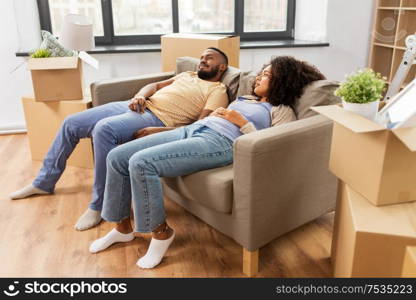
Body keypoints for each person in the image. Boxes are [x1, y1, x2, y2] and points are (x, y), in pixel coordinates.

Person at [89, 56, 326, 269]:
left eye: (267, 75)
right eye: (262, 72)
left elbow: (276, 145)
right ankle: (122, 228)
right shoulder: (245, 98)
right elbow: (203, 122)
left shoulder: (280, 109)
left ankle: (161, 233)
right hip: (195, 130)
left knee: (142, 163)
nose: (259, 78)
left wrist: (241, 121)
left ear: (283, 81)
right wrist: (167, 130)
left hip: (220, 143)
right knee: (117, 156)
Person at [10, 48, 230, 231]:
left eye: (209, 58)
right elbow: (154, 86)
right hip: (137, 105)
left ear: (221, 67)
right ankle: (44, 182)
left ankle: (99, 205)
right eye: (201, 57)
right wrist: (140, 95)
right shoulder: (186, 76)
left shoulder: (218, 90)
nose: (202, 60)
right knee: (71, 123)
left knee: (104, 129)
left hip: (157, 118)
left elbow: (199, 127)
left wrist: (160, 131)